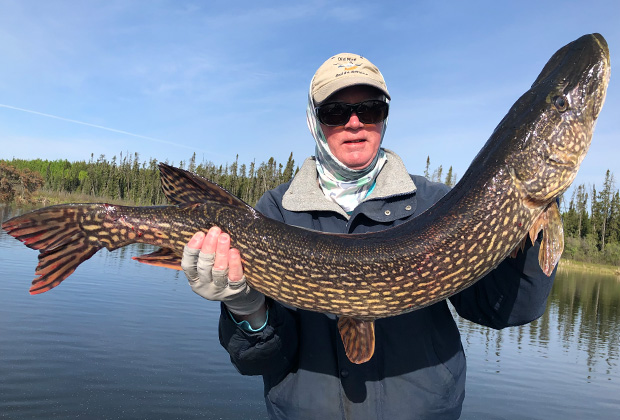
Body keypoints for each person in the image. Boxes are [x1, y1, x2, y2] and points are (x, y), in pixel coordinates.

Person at [180, 53, 556, 420]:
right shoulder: (277, 212)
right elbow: (260, 361)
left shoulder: (434, 205)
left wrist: (529, 216)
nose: (355, 123)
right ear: (315, 121)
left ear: (385, 118)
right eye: (335, 112)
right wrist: (247, 310)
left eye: (371, 108)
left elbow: (505, 309)